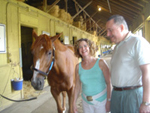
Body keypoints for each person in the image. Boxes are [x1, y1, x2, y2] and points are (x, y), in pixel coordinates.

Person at [106, 14, 150, 113]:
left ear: (121, 27)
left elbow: (147, 73)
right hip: (117, 94)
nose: (108, 34)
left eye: (110, 30)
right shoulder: (117, 46)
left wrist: (146, 102)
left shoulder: (137, 42)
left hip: (132, 94)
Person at [73, 38, 111, 113]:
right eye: (80, 47)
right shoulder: (78, 67)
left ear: (90, 47)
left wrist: (109, 100)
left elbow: (109, 83)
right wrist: (73, 103)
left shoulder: (101, 63)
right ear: (78, 50)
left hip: (101, 102)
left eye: (85, 46)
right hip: (86, 103)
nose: (83, 48)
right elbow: (77, 86)